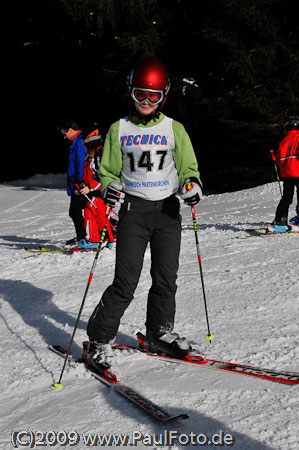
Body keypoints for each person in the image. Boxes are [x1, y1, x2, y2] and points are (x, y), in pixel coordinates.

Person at [83, 56, 203, 379]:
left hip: (167, 212)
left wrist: (191, 186)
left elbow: (189, 168)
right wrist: (109, 188)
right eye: (140, 95)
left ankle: (159, 332)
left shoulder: (173, 129)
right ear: (130, 93)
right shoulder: (118, 129)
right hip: (134, 213)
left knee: (166, 279)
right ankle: (98, 339)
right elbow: (106, 171)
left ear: (163, 96)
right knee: (125, 282)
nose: (146, 102)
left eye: (153, 96)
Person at [79, 128, 117, 249]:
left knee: (90, 211)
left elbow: (104, 176)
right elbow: (90, 175)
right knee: (101, 216)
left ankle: (94, 239)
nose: (83, 146)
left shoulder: (100, 155)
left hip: (103, 191)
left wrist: (90, 188)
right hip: (98, 191)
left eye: (85, 143)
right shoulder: (92, 156)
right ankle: (109, 239)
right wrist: (84, 185)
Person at [59, 119, 87, 245]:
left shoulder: (79, 143)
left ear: (70, 130)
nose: (64, 137)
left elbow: (81, 164)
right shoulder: (76, 142)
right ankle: (82, 236)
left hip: (81, 184)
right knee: (77, 211)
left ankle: (82, 238)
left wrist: (79, 183)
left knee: (75, 211)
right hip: (77, 183)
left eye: (64, 134)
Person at [271, 116, 299, 233]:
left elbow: (279, 161)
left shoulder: (283, 141)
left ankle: (280, 222)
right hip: (298, 171)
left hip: (287, 174)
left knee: (286, 197)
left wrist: (274, 158)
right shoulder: (298, 137)